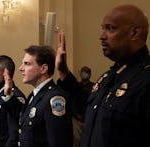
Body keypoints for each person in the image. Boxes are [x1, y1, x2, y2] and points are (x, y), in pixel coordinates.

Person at [56, 4, 150, 147]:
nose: (102, 36)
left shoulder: (145, 79)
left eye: (110, 28)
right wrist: (64, 72)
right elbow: (87, 109)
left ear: (134, 33)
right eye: (103, 28)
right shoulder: (109, 76)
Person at [18, 45, 73, 147]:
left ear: (43, 68)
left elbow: (58, 142)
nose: (21, 68)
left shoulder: (54, 98)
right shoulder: (33, 96)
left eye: (27, 64)